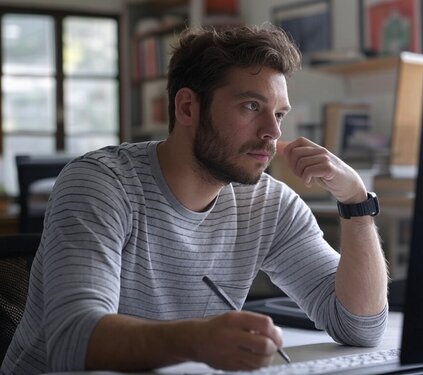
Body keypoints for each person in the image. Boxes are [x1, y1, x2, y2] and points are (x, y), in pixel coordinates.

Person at [1, 24, 388, 374]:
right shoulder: (101, 184)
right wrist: (198, 340)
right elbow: (74, 342)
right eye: (251, 106)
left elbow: (359, 326)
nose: (272, 131)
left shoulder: (269, 204)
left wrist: (355, 201)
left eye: (279, 114)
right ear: (187, 107)